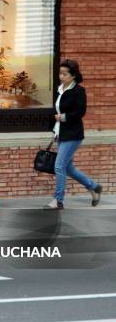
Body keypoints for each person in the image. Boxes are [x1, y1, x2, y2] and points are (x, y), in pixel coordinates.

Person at [44, 59, 102, 209]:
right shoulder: (60, 89)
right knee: (68, 168)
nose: (61, 76)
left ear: (73, 75)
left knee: (59, 166)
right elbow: (56, 109)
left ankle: (58, 200)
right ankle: (94, 187)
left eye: (65, 74)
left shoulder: (79, 91)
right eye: (60, 73)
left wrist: (63, 117)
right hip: (61, 133)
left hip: (73, 134)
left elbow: (80, 112)